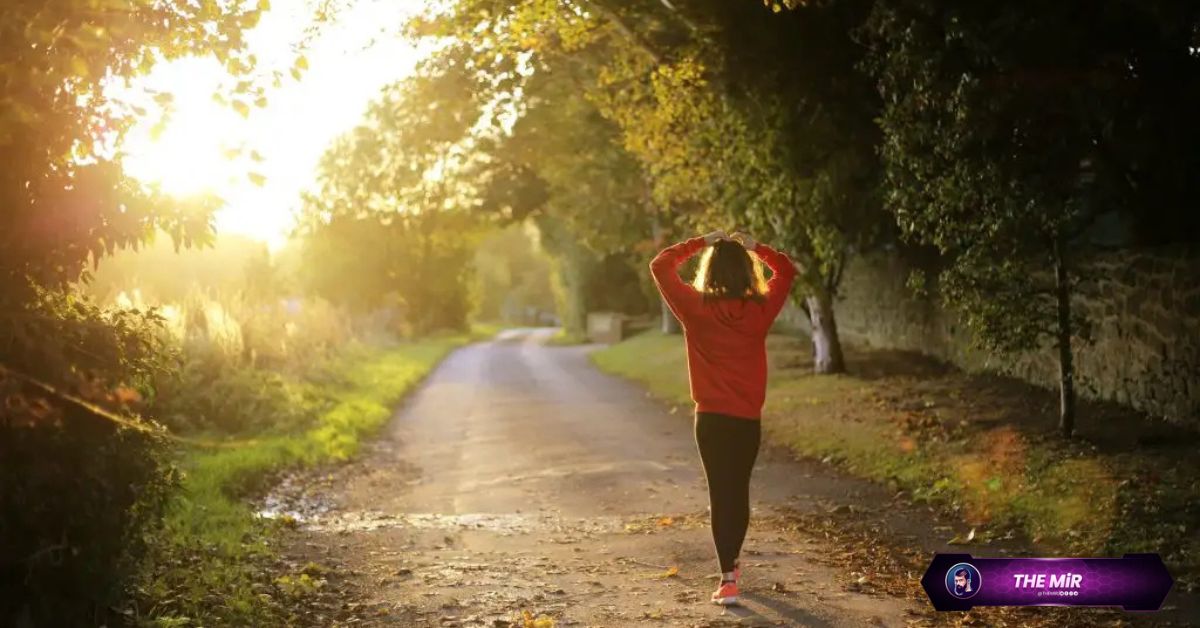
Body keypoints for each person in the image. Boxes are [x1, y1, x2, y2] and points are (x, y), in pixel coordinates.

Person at [649, 229, 798, 606]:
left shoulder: (695, 308)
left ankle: (728, 578)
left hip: (711, 421)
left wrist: (701, 241)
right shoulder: (760, 310)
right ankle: (732, 565)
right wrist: (755, 247)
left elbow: (661, 265)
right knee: (739, 491)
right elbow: (787, 270)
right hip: (747, 420)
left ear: (710, 270)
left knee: (721, 493)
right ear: (747, 272)